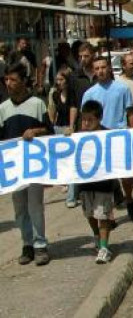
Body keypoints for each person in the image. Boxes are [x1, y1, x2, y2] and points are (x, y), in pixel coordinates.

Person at [3, 63, 53, 267]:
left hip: (34, 166)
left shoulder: (37, 104)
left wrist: (35, 132)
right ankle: (27, 245)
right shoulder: (2, 109)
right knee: (20, 209)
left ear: (24, 81)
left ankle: (40, 244)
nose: (8, 83)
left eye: (13, 80)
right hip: (14, 169)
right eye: (6, 80)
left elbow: (49, 132)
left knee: (35, 207)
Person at [81, 56, 133, 222]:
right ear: (93, 71)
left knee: (126, 176)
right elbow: (84, 120)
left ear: (109, 68)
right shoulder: (89, 94)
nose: (100, 71)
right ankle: (109, 216)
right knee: (104, 179)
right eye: (97, 68)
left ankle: (129, 198)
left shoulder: (122, 89)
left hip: (119, 137)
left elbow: (130, 114)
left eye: (103, 67)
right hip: (98, 141)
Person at [76, 100, 120, 264]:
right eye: (84, 120)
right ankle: (96, 236)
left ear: (99, 119)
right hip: (85, 184)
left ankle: (104, 247)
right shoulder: (78, 137)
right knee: (90, 215)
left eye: (90, 120)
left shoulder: (107, 136)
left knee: (102, 215)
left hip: (103, 185)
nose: (86, 123)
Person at [48, 68, 78, 207]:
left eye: (61, 80)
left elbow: (73, 109)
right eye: (57, 80)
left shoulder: (72, 94)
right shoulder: (54, 94)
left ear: (67, 81)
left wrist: (71, 126)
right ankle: (65, 182)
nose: (58, 82)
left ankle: (71, 197)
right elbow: (52, 112)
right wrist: (51, 128)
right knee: (61, 161)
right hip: (58, 129)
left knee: (72, 162)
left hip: (68, 129)